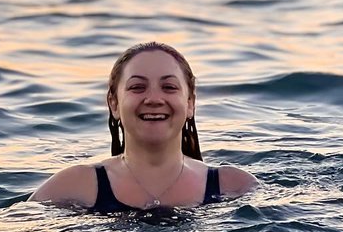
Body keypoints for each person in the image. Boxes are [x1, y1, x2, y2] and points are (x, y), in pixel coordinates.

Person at [30, 41, 258, 211]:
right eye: (137, 87)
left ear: (190, 103)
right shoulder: (74, 187)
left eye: (169, 87)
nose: (154, 99)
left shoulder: (234, 187)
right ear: (114, 103)